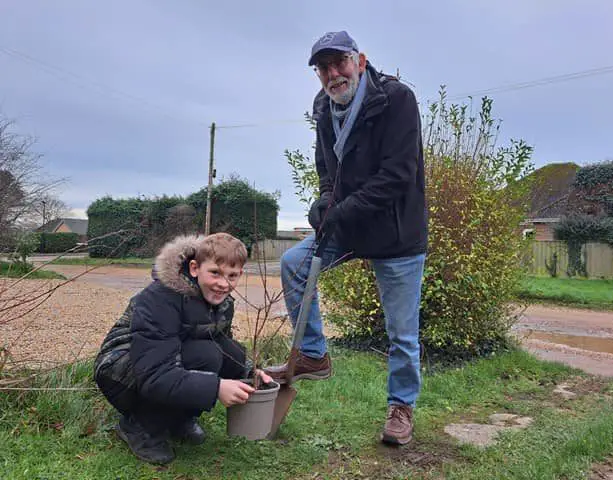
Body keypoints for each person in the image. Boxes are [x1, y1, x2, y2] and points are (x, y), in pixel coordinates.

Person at [265, 31, 427, 446]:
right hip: (349, 225)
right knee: (294, 264)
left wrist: (340, 210)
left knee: (402, 333)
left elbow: (397, 175)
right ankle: (315, 355)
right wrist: (324, 201)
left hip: (396, 231)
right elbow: (327, 165)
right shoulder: (324, 106)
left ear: (360, 60)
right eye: (323, 68)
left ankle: (401, 406)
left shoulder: (396, 100)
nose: (333, 74)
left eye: (340, 63)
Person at [94, 232, 272, 464]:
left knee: (224, 352)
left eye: (232, 275)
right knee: (205, 356)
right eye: (215, 273)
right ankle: (140, 427)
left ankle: (178, 418)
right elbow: (154, 375)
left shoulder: (222, 302)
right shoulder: (160, 298)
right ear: (195, 268)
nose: (223, 283)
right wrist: (215, 387)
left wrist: (250, 372)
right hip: (121, 372)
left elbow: (224, 344)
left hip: (159, 363)